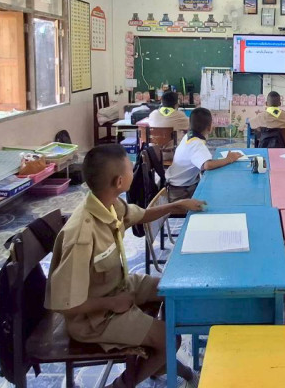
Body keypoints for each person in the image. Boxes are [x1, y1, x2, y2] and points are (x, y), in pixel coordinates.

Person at [45, 144, 205, 388]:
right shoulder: (81, 235)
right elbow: (65, 304)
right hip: (93, 317)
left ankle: (159, 360)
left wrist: (177, 206)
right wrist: (111, 304)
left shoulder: (108, 204)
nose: (134, 171)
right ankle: (122, 384)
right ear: (119, 181)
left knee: (171, 290)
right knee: (170, 340)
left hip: (118, 286)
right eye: (131, 168)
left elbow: (140, 215)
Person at [166, 107, 243, 200]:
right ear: (209, 128)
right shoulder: (196, 143)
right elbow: (207, 165)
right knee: (215, 195)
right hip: (180, 191)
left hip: (177, 183)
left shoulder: (188, 136)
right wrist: (229, 159)